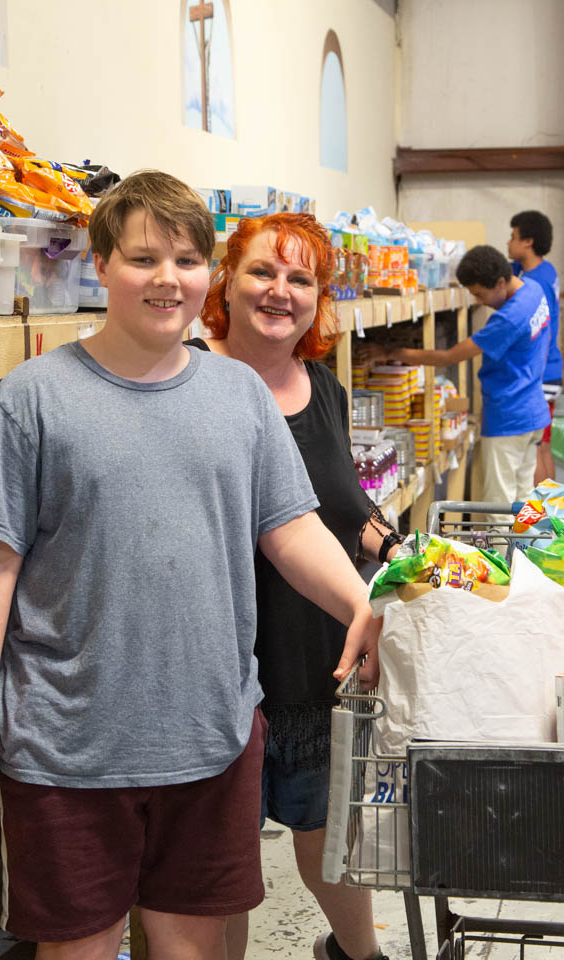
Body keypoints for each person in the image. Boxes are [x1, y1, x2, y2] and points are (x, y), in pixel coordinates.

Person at [0, 171, 381, 960]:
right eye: (143, 258)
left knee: (196, 950)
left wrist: (359, 606)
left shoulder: (239, 397)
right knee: (79, 950)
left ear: (210, 275)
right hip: (66, 748)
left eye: (187, 260)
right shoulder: (34, 400)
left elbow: (292, 530)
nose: (168, 279)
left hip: (212, 739)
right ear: (100, 265)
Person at [189, 211, 395, 960]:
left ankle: (358, 956)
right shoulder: (188, 373)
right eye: (263, 272)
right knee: (224, 863)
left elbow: (338, 506)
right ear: (227, 280)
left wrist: (393, 546)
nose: (280, 292)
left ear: (319, 298)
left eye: (300, 279)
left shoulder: (324, 390)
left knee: (326, 833)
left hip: (317, 660)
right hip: (221, 668)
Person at [376, 244, 550, 504]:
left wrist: (391, 353)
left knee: (499, 506)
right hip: (533, 413)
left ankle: (503, 548)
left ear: (501, 282)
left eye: (480, 294)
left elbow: (449, 357)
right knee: (523, 500)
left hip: (508, 419)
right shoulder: (534, 291)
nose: (479, 301)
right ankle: (524, 545)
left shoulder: (507, 319)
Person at [507, 210, 563, 483]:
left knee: (536, 446)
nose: (508, 243)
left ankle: (542, 514)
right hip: (549, 373)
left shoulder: (535, 283)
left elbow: (542, 332)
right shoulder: (542, 270)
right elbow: (508, 271)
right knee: (544, 444)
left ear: (527, 242)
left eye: (513, 237)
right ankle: (549, 509)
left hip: (540, 374)